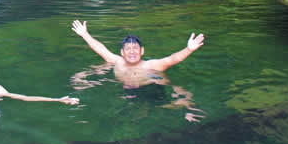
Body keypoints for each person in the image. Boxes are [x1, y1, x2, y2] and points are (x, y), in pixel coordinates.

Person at [70, 19, 206, 122]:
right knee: (130, 105)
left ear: (142, 51)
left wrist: (189, 49)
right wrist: (84, 34)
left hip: (151, 87)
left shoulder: (152, 65)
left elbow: (172, 59)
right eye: (128, 49)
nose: (132, 51)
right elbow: (100, 48)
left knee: (166, 106)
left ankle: (188, 107)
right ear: (122, 52)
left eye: (135, 48)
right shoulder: (117, 61)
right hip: (128, 89)